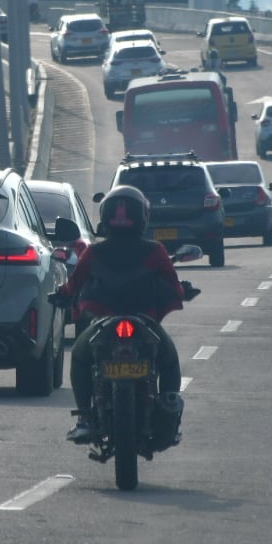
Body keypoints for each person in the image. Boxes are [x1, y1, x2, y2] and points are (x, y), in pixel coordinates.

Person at [58, 185, 188, 445]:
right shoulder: (156, 251)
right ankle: (168, 405)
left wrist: (60, 294)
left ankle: (84, 418)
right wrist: (182, 292)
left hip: (102, 324)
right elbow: (173, 287)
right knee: (169, 359)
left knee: (81, 359)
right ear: (143, 217)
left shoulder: (94, 252)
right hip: (145, 322)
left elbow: (73, 286)